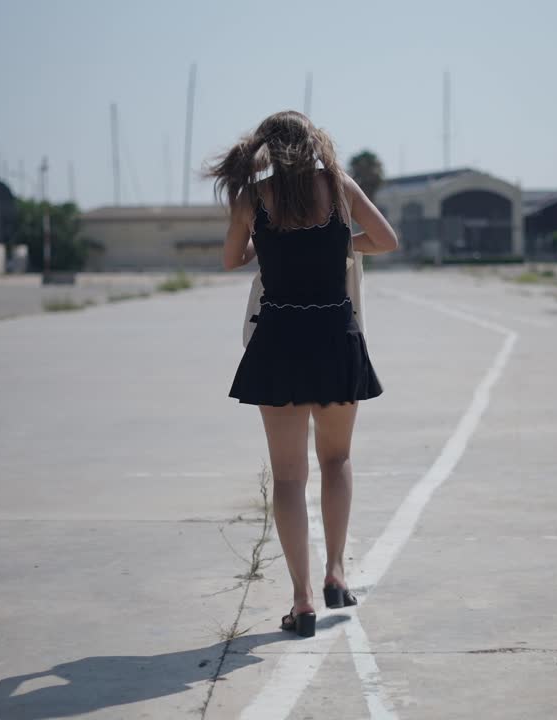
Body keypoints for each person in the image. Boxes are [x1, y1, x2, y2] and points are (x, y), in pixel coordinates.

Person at [207, 110, 399, 638]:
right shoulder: (338, 187)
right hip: (336, 337)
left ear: (267, 148)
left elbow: (231, 260)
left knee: (289, 477)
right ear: (313, 143)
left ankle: (302, 600)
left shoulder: (252, 197)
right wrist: (340, 242)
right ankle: (337, 573)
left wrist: (260, 243)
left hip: (280, 340)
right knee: (336, 460)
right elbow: (385, 240)